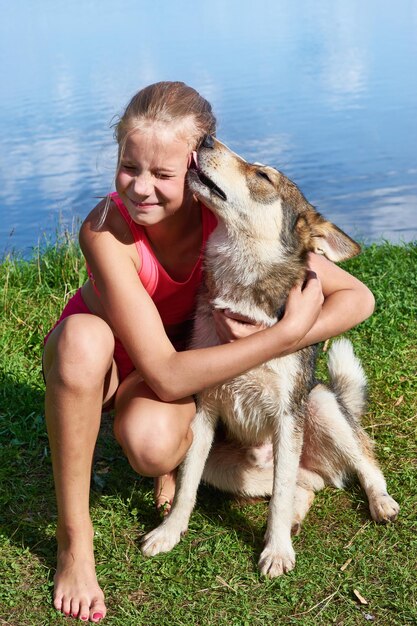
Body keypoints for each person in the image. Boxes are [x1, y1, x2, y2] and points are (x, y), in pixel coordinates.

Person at [42, 81, 375, 622]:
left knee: (152, 448)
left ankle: (160, 461)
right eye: (130, 167)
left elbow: (358, 297)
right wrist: (284, 336)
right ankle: (74, 541)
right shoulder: (105, 231)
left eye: (164, 174)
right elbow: (172, 378)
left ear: (195, 165)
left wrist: (304, 320)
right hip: (111, 364)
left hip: (170, 364)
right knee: (85, 339)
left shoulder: (224, 216)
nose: (142, 188)